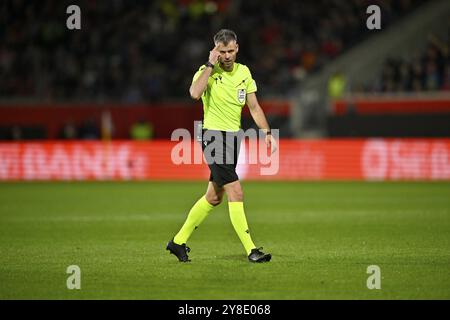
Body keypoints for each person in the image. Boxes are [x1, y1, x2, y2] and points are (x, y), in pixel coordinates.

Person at [166, 29, 277, 263]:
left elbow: (254, 107)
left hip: (234, 137)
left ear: (237, 48)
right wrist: (209, 64)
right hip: (213, 136)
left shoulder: (244, 72)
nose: (227, 56)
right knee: (235, 191)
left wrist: (266, 132)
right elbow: (195, 93)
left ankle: (177, 242)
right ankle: (251, 250)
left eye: (230, 51)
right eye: (222, 51)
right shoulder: (207, 71)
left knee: (214, 197)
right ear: (215, 50)